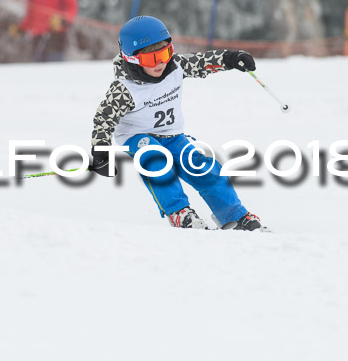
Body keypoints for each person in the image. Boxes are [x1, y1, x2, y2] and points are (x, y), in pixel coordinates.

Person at [89, 16, 267, 231]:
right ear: (132, 58)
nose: (160, 63)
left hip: (173, 136)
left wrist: (230, 58)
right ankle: (180, 212)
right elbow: (104, 119)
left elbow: (202, 62)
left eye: (164, 54)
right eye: (150, 59)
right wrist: (101, 151)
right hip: (137, 137)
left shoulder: (175, 67)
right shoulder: (124, 89)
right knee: (156, 160)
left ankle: (234, 216)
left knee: (203, 167)